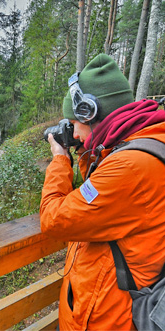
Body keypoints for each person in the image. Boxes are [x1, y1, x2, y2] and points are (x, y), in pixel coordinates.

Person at [40, 53, 165, 330]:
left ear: (89, 112)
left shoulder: (129, 167)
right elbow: (103, 204)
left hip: (113, 317)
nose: (73, 134)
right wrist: (95, 149)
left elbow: (54, 219)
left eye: (74, 123)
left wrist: (60, 159)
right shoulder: (149, 141)